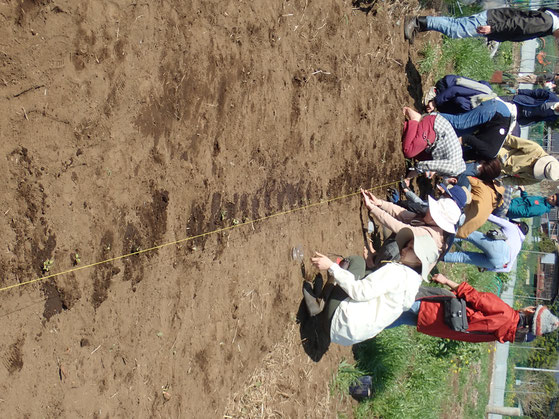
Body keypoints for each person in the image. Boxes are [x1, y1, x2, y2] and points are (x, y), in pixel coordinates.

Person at [306, 227, 439, 346]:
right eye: (407, 245)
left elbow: (360, 292)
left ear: (418, 260)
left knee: (356, 262)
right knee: (367, 274)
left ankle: (321, 303)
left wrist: (331, 266)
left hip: (339, 321)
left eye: (410, 249)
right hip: (346, 336)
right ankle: (328, 300)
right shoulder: (413, 285)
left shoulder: (398, 272)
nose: (403, 249)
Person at [386, 274, 559, 344]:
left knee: (392, 297)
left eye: (534, 307)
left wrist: (446, 281)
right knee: (396, 318)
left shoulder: (506, 313)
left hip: (436, 309)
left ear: (530, 311)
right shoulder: (502, 336)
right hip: (437, 326)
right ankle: (362, 328)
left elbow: (473, 296)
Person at [360, 187, 462, 256]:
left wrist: (372, 208)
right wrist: (380, 203)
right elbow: (403, 214)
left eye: (432, 211)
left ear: (437, 220)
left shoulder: (430, 235)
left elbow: (399, 227)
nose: (429, 209)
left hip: (405, 264)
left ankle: (375, 263)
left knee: (394, 246)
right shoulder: (428, 219)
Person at [404, 8, 559, 44]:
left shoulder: (547, 23)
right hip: (493, 23)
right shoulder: (547, 23)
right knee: (455, 30)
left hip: (494, 21)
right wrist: (494, 29)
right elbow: (519, 24)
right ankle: (417, 22)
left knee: (456, 26)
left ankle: (421, 25)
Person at [444, 215, 527, 272]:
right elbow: (508, 269)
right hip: (499, 264)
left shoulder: (513, 227)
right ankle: (439, 256)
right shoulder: (518, 246)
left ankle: (445, 234)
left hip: (499, 247)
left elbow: (495, 219)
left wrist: (483, 213)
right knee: (463, 257)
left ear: (518, 224)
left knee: (469, 234)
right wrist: (487, 268)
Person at [438, 98, 513, 161]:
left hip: (492, 121)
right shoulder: (488, 153)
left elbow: (464, 155)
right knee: (460, 123)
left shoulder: (483, 154)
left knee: (460, 132)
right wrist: (450, 146)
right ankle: (431, 118)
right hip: (497, 111)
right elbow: (467, 138)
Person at [402, 106, 466, 177]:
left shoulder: (458, 163)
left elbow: (435, 164)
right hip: (434, 126)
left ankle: (413, 131)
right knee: (408, 151)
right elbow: (425, 165)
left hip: (436, 131)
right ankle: (415, 119)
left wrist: (430, 170)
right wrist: (414, 172)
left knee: (421, 155)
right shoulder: (453, 168)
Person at [424, 75, 495, 114]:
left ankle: (438, 103)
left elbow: (483, 82)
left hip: (451, 87)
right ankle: (435, 93)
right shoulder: (478, 101)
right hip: (446, 86)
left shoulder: (489, 92)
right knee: (461, 106)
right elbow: (454, 90)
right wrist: (434, 102)